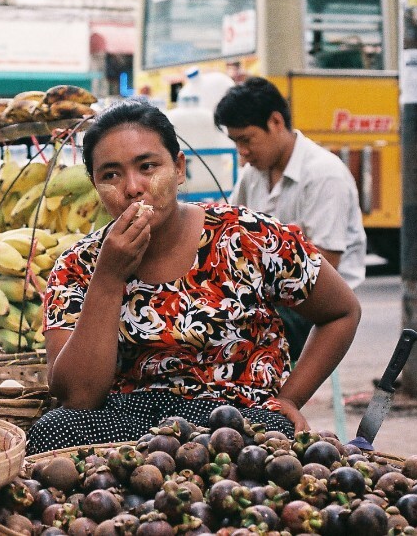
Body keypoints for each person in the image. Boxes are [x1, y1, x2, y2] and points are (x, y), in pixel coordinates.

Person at [26, 99, 360, 454]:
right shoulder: (79, 265)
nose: (133, 187)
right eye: (111, 174)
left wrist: (290, 399)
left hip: (237, 421)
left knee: (274, 432)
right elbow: (78, 397)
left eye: (148, 166)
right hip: (129, 426)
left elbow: (342, 312)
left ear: (180, 168)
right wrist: (108, 278)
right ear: (95, 186)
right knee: (53, 430)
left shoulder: (246, 235)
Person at [213, 77, 367, 353]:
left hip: (314, 305)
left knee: (228, 331)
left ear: (275, 122)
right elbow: (230, 230)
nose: (242, 154)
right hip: (264, 295)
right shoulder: (254, 173)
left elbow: (325, 265)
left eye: (246, 140)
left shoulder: (324, 174)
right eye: (236, 142)